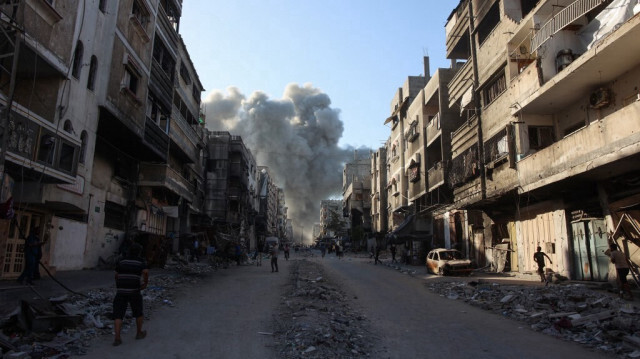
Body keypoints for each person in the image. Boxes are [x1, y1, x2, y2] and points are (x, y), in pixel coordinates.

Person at [112, 243, 149, 346]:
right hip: (134, 290)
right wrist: (145, 283)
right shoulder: (141, 261)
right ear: (139, 252)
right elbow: (145, 272)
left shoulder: (121, 260)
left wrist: (119, 284)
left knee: (118, 314)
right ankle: (139, 333)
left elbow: (116, 275)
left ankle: (117, 338)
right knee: (138, 312)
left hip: (121, 291)